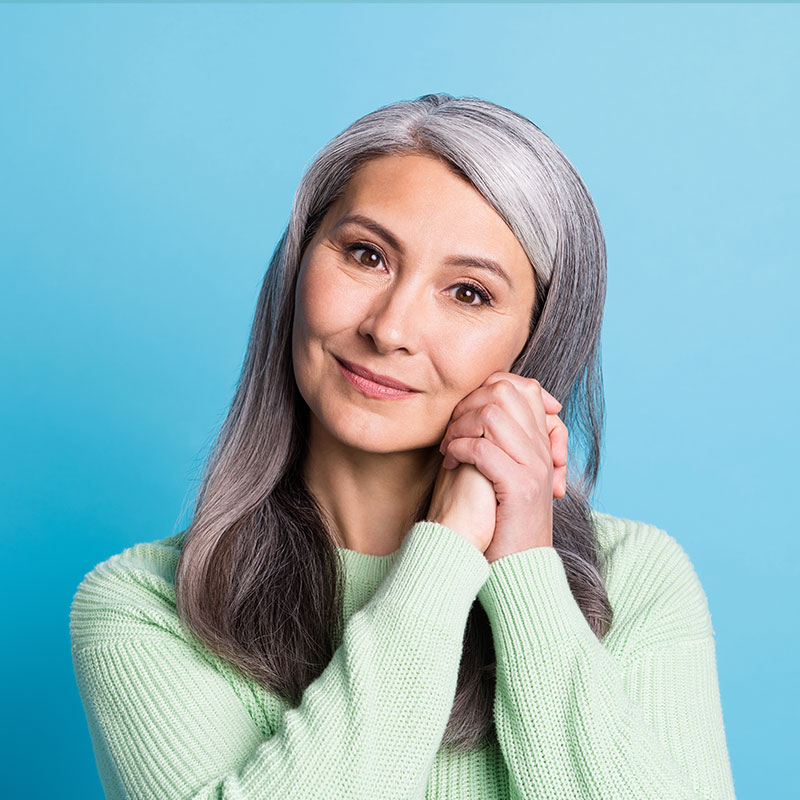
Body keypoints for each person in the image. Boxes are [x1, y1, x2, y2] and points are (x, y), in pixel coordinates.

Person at [70, 92, 737, 800]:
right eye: (366, 255)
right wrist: (447, 550)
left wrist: (524, 570)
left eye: (469, 293)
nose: (390, 329)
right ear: (297, 269)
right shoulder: (146, 605)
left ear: (538, 341)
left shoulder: (635, 581)